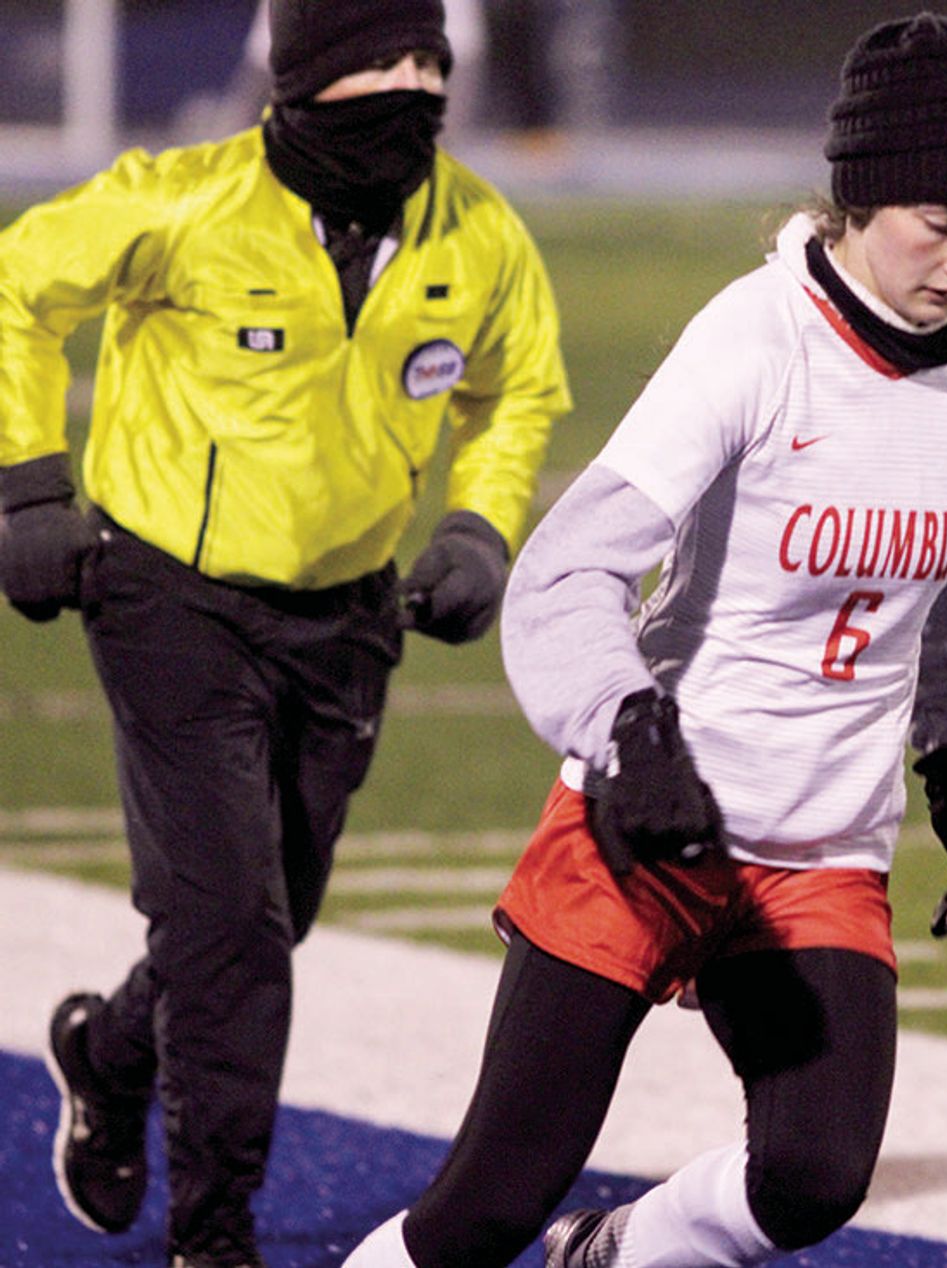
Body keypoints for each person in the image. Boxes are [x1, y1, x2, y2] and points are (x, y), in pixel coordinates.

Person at [342, 11, 947, 1268]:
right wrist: (629, 733)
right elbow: (567, 573)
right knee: (487, 1205)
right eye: (939, 222)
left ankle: (605, 1255)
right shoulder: (753, 339)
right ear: (860, 194)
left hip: (821, 849)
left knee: (816, 1178)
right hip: (649, 820)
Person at [0, 0, 570, 1262]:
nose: (414, 86)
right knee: (232, 935)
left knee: (265, 918)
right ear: (305, 77)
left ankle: (106, 1049)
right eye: (383, 60)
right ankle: (212, 1233)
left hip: (350, 615)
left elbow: (519, 380)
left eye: (429, 60)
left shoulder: (476, 230)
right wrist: (27, 481)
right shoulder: (183, 199)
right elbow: (15, 288)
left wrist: (480, 524)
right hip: (169, 598)